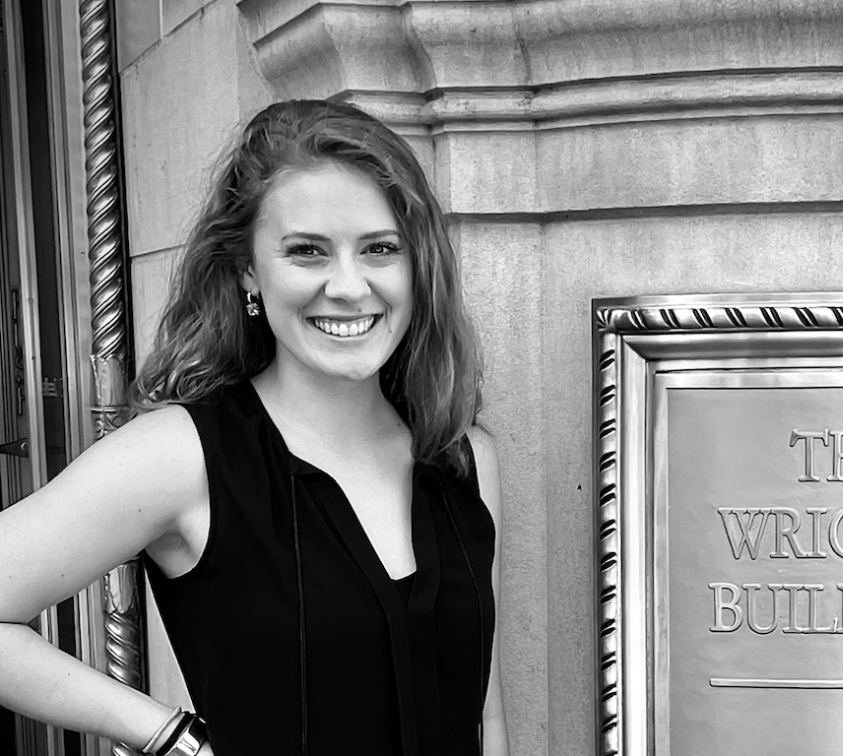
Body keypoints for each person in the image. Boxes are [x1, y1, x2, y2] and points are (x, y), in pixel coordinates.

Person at [0, 99, 508, 755]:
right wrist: (170, 738)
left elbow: (483, 710)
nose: (350, 287)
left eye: (381, 248)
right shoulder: (184, 456)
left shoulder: (464, 456)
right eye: (307, 252)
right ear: (247, 269)